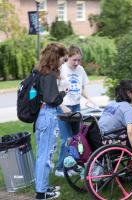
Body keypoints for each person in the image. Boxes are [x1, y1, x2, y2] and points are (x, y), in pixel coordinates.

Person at [55, 45, 96, 177]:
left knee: (77, 139)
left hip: (76, 106)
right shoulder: (61, 69)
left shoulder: (80, 70)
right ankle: (60, 168)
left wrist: (89, 98)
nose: (77, 63)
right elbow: (54, 91)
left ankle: (72, 166)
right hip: (63, 107)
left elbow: (82, 87)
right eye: (74, 60)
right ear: (68, 57)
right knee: (66, 139)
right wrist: (61, 105)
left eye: (79, 60)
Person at [35, 43, 68, 199]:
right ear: (56, 57)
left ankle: (42, 187)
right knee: (46, 155)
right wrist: (62, 94)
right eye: (63, 58)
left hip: (40, 115)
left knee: (42, 154)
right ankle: (42, 193)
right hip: (48, 115)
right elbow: (52, 99)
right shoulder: (49, 75)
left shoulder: (39, 71)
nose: (63, 61)